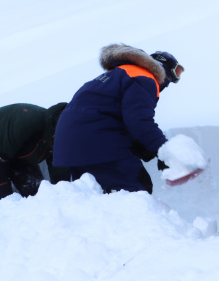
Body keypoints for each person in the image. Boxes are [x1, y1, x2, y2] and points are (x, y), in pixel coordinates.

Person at [53, 43, 184, 194]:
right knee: (138, 190)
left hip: (69, 146)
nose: (168, 85)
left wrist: (140, 144)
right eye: (174, 75)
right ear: (162, 69)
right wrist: (164, 151)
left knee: (93, 196)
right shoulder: (145, 78)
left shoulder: (118, 74)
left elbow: (111, 113)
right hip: (95, 141)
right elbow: (139, 121)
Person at [0, 102, 69, 203]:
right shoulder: (27, 122)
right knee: (1, 201)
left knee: (36, 195)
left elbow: (60, 175)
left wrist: (64, 196)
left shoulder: (62, 138)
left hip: (16, 155)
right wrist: (6, 203)